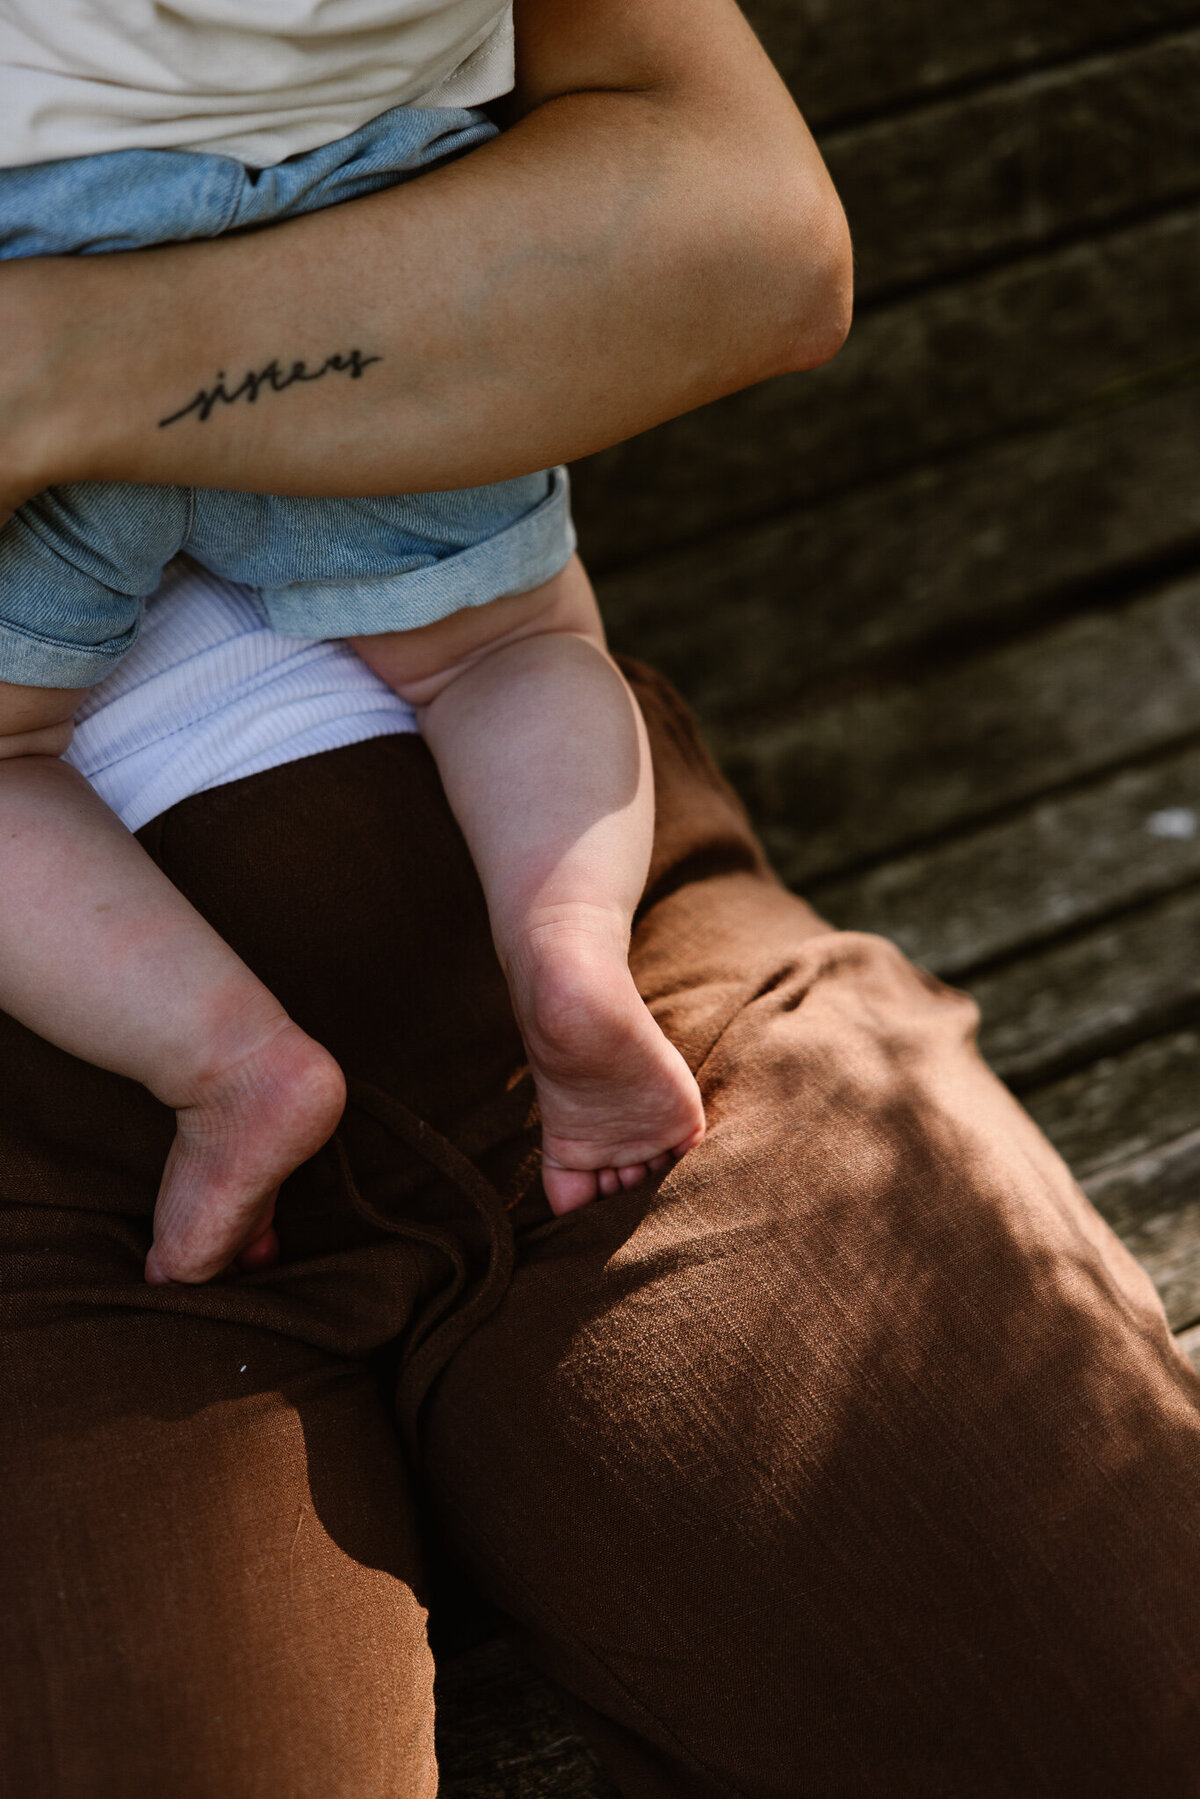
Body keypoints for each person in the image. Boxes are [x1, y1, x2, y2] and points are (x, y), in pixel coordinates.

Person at [2, 556, 1199, 1799]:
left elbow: (755, 344)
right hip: (508, 912)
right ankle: (550, 953)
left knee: (1118, 1733)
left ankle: (290, 1043)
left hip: (566, 939)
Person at [0, 0, 806, 1280]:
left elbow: (786, 257)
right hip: (376, 257)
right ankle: (567, 946)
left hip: (40, 248)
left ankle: (226, 1062)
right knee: (515, 649)